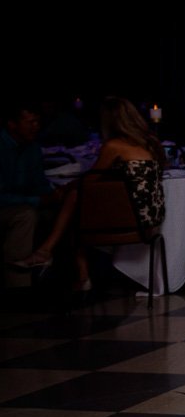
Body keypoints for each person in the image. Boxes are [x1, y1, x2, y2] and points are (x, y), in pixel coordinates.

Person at [17, 97, 165, 291]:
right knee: (77, 202)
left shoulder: (114, 146)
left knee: (76, 203)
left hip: (133, 219)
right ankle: (52, 256)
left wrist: (67, 187)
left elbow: (91, 180)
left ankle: (61, 262)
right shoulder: (150, 143)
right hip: (152, 216)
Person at [2, 104, 58, 288]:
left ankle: (60, 277)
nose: (36, 126)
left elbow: (39, 183)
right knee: (25, 215)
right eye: (30, 122)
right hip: (9, 205)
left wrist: (54, 195)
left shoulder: (32, 148)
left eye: (37, 122)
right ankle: (18, 283)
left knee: (61, 212)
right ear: (12, 124)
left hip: (22, 201)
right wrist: (37, 200)